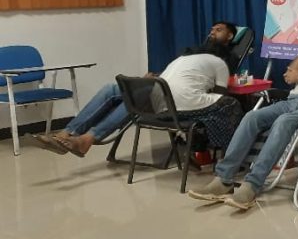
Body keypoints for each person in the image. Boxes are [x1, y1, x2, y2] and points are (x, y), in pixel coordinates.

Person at [188, 16, 298, 211]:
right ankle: (224, 179)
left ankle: (252, 185)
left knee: (283, 122)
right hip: (294, 99)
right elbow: (291, 74)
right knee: (251, 117)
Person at [32, 21, 243, 157]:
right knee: (110, 90)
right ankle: (68, 133)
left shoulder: (225, 58)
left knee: (129, 97)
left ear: (231, 36)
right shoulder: (195, 52)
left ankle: (85, 139)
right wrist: (155, 78)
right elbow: (181, 74)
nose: (212, 32)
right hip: (164, 88)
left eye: (219, 29)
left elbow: (214, 87)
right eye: (212, 29)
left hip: (171, 99)